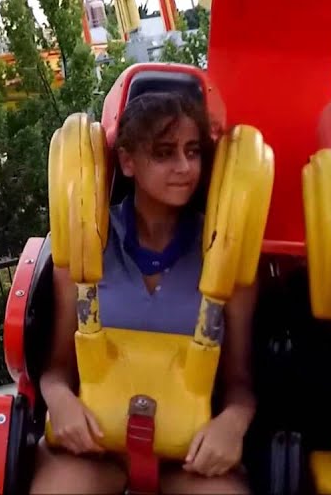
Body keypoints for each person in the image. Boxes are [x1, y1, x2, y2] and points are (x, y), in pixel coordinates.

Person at [31, 92, 254, 495]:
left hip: (189, 457)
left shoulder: (227, 252)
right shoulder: (84, 246)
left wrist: (232, 423)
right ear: (128, 162)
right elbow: (56, 369)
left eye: (193, 152)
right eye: (164, 153)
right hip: (96, 450)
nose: (184, 168)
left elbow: (241, 383)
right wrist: (60, 401)